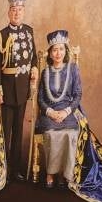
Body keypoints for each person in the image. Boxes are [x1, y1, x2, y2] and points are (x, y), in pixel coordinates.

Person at [0, 0, 38, 182]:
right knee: (5, 133)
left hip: (22, 91)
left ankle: (15, 170)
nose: (17, 13)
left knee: (18, 133)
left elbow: (34, 56)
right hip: (6, 93)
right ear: (8, 13)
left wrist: (35, 67)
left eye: (19, 9)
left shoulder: (29, 31)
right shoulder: (0, 36)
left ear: (23, 11)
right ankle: (2, 170)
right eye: (13, 10)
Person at [35, 30, 82, 189]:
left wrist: (66, 111)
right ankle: (51, 173)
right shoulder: (45, 72)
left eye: (61, 49)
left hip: (67, 111)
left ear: (65, 51)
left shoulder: (73, 69)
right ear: (50, 53)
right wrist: (50, 112)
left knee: (70, 134)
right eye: (55, 50)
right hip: (49, 112)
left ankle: (65, 173)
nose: (58, 53)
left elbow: (77, 94)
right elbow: (40, 99)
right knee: (51, 134)